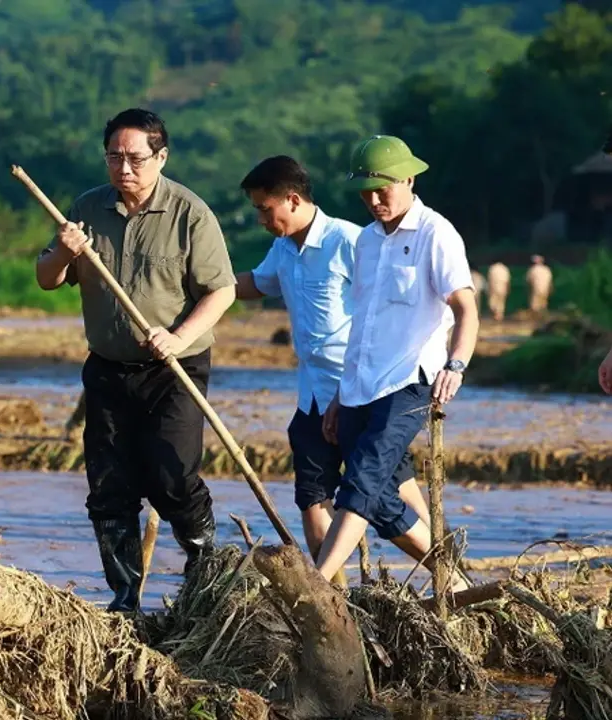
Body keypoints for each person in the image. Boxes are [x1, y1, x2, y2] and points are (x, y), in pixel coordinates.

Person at [35, 108, 236, 613]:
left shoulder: (190, 213)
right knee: (108, 486)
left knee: (171, 474)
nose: (124, 168)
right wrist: (63, 251)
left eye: (135, 159)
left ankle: (203, 573)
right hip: (107, 368)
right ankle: (125, 598)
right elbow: (46, 278)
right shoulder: (86, 209)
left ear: (161, 157)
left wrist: (178, 335)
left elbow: (222, 291)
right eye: (114, 157)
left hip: (174, 369)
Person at [233, 156, 430, 563]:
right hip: (311, 395)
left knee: (384, 492)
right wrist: (200, 284)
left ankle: (444, 571)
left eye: (264, 209)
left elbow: (387, 309)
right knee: (312, 495)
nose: (261, 220)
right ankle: (331, 599)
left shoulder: (350, 242)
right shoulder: (283, 248)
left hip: (361, 392)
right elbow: (256, 283)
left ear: (291, 200)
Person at [317, 135, 478, 587]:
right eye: (364, 191)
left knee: (361, 483)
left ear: (408, 179)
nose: (372, 200)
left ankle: (314, 587)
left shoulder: (435, 233)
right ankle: (458, 584)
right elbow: (362, 324)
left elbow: (466, 308)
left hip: (410, 381)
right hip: (360, 386)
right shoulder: (366, 242)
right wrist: (338, 394)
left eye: (381, 190)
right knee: (382, 500)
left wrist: (456, 365)